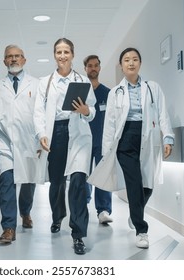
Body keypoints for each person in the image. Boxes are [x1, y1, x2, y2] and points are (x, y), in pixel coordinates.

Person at [89, 47, 174, 249]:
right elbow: (109, 123)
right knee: (134, 183)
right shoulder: (115, 93)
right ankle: (141, 230)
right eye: (126, 60)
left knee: (148, 184)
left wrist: (168, 137)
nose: (131, 63)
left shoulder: (153, 87)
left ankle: (136, 212)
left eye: (135, 59)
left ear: (140, 63)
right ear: (121, 65)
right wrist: (106, 152)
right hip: (125, 139)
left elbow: (162, 113)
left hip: (147, 137)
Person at [34, 38, 96, 255]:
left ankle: (78, 234)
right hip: (56, 133)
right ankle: (58, 216)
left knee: (78, 181)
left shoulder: (82, 80)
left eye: (66, 51)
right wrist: (41, 134)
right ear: (54, 55)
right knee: (58, 182)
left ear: (72, 54)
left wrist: (86, 111)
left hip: (78, 134)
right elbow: (38, 112)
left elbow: (93, 110)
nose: (62, 55)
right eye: (58, 52)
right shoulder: (45, 81)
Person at [0, 45, 41, 245]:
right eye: (9, 57)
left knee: (29, 181)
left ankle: (26, 212)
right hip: (3, 140)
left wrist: (42, 138)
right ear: (4, 61)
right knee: (6, 181)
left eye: (17, 56)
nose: (13, 59)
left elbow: (41, 114)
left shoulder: (36, 84)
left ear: (24, 59)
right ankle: (8, 227)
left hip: (29, 141)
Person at [83, 55, 113, 225]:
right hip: (85, 141)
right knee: (84, 176)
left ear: (99, 68)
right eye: (89, 66)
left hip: (103, 142)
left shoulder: (108, 94)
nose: (93, 68)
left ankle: (103, 210)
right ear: (85, 69)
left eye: (95, 65)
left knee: (103, 176)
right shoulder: (82, 92)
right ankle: (83, 204)